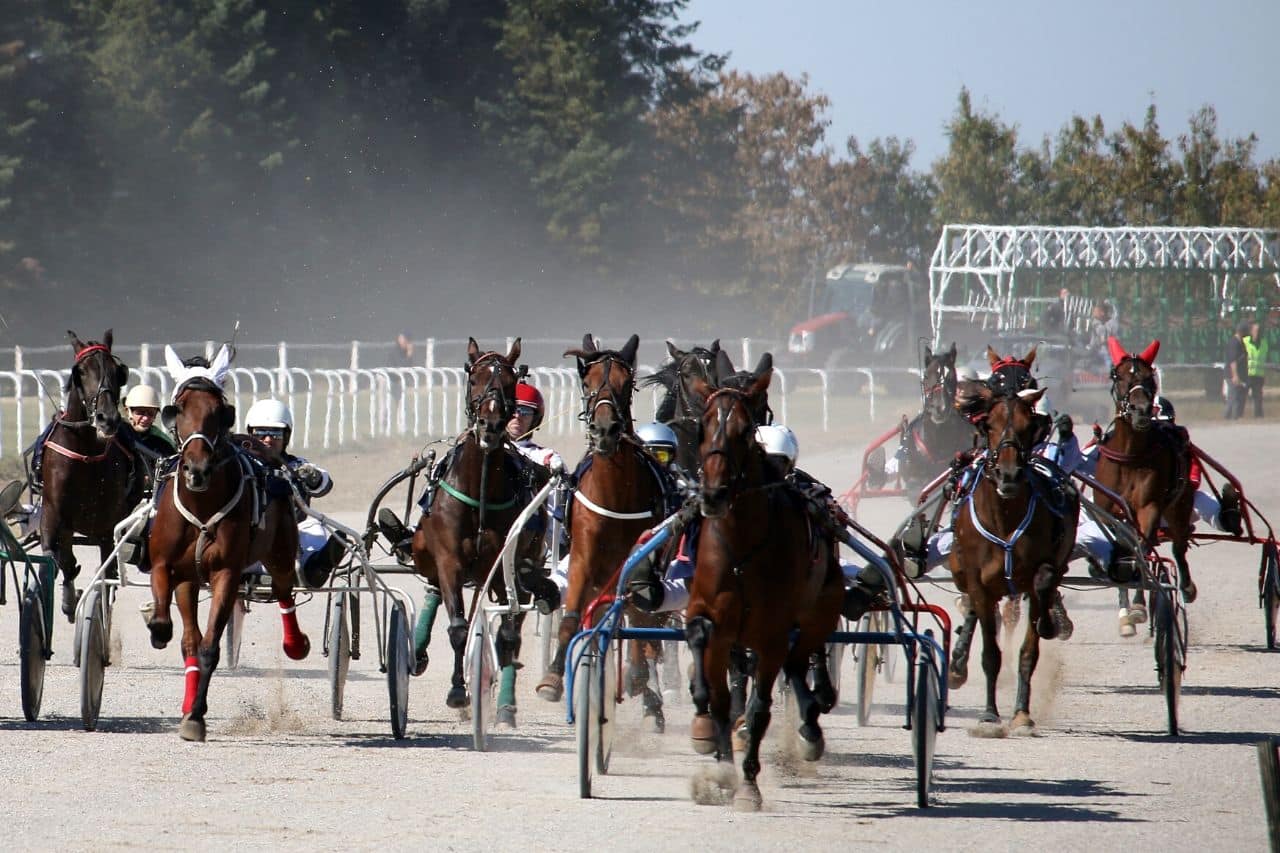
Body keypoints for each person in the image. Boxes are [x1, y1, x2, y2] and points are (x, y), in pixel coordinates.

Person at [243, 398, 342, 589]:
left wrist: (313, 477)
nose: (268, 439)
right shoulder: (241, 465)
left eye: (275, 433)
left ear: (286, 436)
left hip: (291, 538)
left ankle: (317, 567)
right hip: (249, 540)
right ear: (251, 435)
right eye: (261, 432)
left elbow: (324, 484)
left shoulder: (296, 465)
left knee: (314, 525)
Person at [1224, 321, 1249, 420]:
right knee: (1233, 397)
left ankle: (1231, 417)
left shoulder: (1241, 342)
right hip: (1232, 374)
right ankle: (1232, 417)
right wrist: (1235, 376)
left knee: (1236, 396)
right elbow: (1233, 361)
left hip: (1239, 374)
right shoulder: (1234, 343)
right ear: (1242, 331)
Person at [1243, 320, 1268, 418]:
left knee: (1258, 397)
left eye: (1259, 330)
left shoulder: (1264, 343)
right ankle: (1237, 415)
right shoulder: (1245, 341)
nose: (1258, 332)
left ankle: (1258, 416)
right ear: (1251, 331)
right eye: (1256, 330)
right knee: (1241, 396)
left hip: (1259, 375)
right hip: (1247, 374)